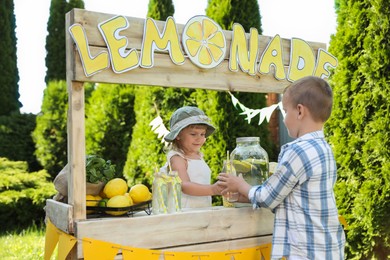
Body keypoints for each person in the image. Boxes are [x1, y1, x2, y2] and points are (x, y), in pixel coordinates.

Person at [218, 76, 346, 259]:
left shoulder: (297, 151)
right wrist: (245, 196)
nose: (284, 119)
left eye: (285, 111)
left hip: (305, 251)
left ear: (300, 111)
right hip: (327, 248)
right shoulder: (324, 148)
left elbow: (268, 197)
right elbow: (288, 197)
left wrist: (240, 184)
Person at [163, 106, 221, 208]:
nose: (199, 139)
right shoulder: (178, 158)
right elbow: (184, 185)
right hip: (184, 213)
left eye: (202, 134)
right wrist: (213, 189)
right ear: (178, 135)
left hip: (201, 210)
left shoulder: (198, 156)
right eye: (193, 134)